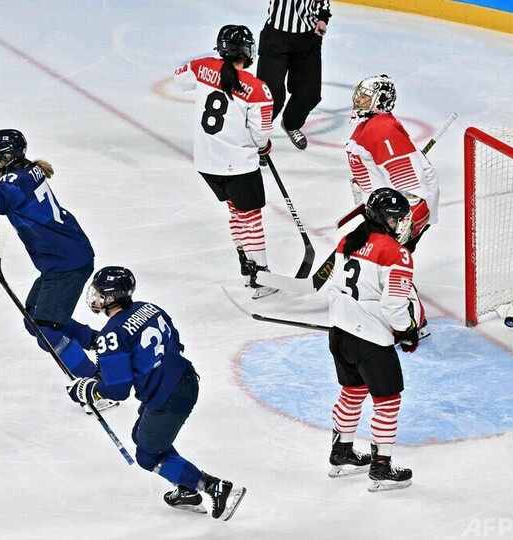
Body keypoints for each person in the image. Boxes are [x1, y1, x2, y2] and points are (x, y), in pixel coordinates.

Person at [0, 107, 114, 411]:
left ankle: (98, 386)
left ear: (6, 159)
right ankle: (101, 343)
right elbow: (4, 168)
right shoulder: (24, 169)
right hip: (62, 260)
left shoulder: (13, 183)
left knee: (46, 331)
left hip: (67, 264)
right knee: (35, 320)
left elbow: (0, 201)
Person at [65, 266, 247, 520]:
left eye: (98, 292)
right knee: (141, 436)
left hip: (167, 396)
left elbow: (117, 391)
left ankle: (214, 487)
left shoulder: (112, 334)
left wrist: (87, 389)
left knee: (147, 456)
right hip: (185, 379)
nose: (94, 296)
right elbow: (174, 341)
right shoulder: (149, 308)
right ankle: (186, 490)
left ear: (110, 297)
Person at [325, 187, 422, 492]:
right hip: (369, 340)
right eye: (397, 218)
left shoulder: (348, 240)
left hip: (339, 333)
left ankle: (341, 452)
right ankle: (381, 467)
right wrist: (407, 331)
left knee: (352, 392)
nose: (401, 224)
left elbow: (335, 287)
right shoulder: (396, 253)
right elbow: (394, 306)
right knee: (388, 402)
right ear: (384, 218)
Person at [173, 24, 277, 299]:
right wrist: (264, 147)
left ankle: (246, 264)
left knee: (235, 211)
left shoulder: (203, 67)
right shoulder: (258, 89)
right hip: (238, 165)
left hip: (206, 163)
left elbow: (178, 79)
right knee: (251, 218)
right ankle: (261, 276)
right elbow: (261, 135)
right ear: (247, 51)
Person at [345, 74, 440, 253]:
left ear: (380, 100)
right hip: (382, 214)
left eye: (365, 96)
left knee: (384, 262)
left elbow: (410, 186)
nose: (358, 100)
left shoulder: (382, 130)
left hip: (394, 218)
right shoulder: (371, 125)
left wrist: (403, 225)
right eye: (359, 95)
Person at [256, 0, 331, 151]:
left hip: (308, 39)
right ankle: (256, 137)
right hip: (276, 37)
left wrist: (323, 18)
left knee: (309, 94)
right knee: (270, 95)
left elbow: (322, 2)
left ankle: (291, 124)